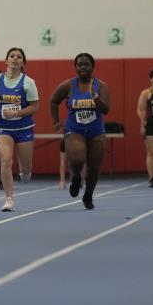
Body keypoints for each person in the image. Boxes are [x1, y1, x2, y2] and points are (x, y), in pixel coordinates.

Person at [49, 53, 110, 210]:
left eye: (86, 64)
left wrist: (96, 97)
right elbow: (53, 101)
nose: (83, 67)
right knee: (77, 159)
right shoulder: (68, 85)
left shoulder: (101, 86)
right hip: (74, 129)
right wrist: (56, 122)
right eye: (79, 65)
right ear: (75, 67)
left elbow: (106, 109)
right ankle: (76, 177)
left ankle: (88, 195)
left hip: (96, 131)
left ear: (92, 67)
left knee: (94, 167)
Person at [0, 48, 39, 212]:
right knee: (6, 160)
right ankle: (9, 198)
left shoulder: (28, 82)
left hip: (24, 128)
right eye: (12, 56)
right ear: (6, 61)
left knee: (26, 170)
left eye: (19, 57)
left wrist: (17, 113)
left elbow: (35, 107)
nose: (15, 59)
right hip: (3, 128)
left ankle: (24, 171)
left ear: (23, 63)